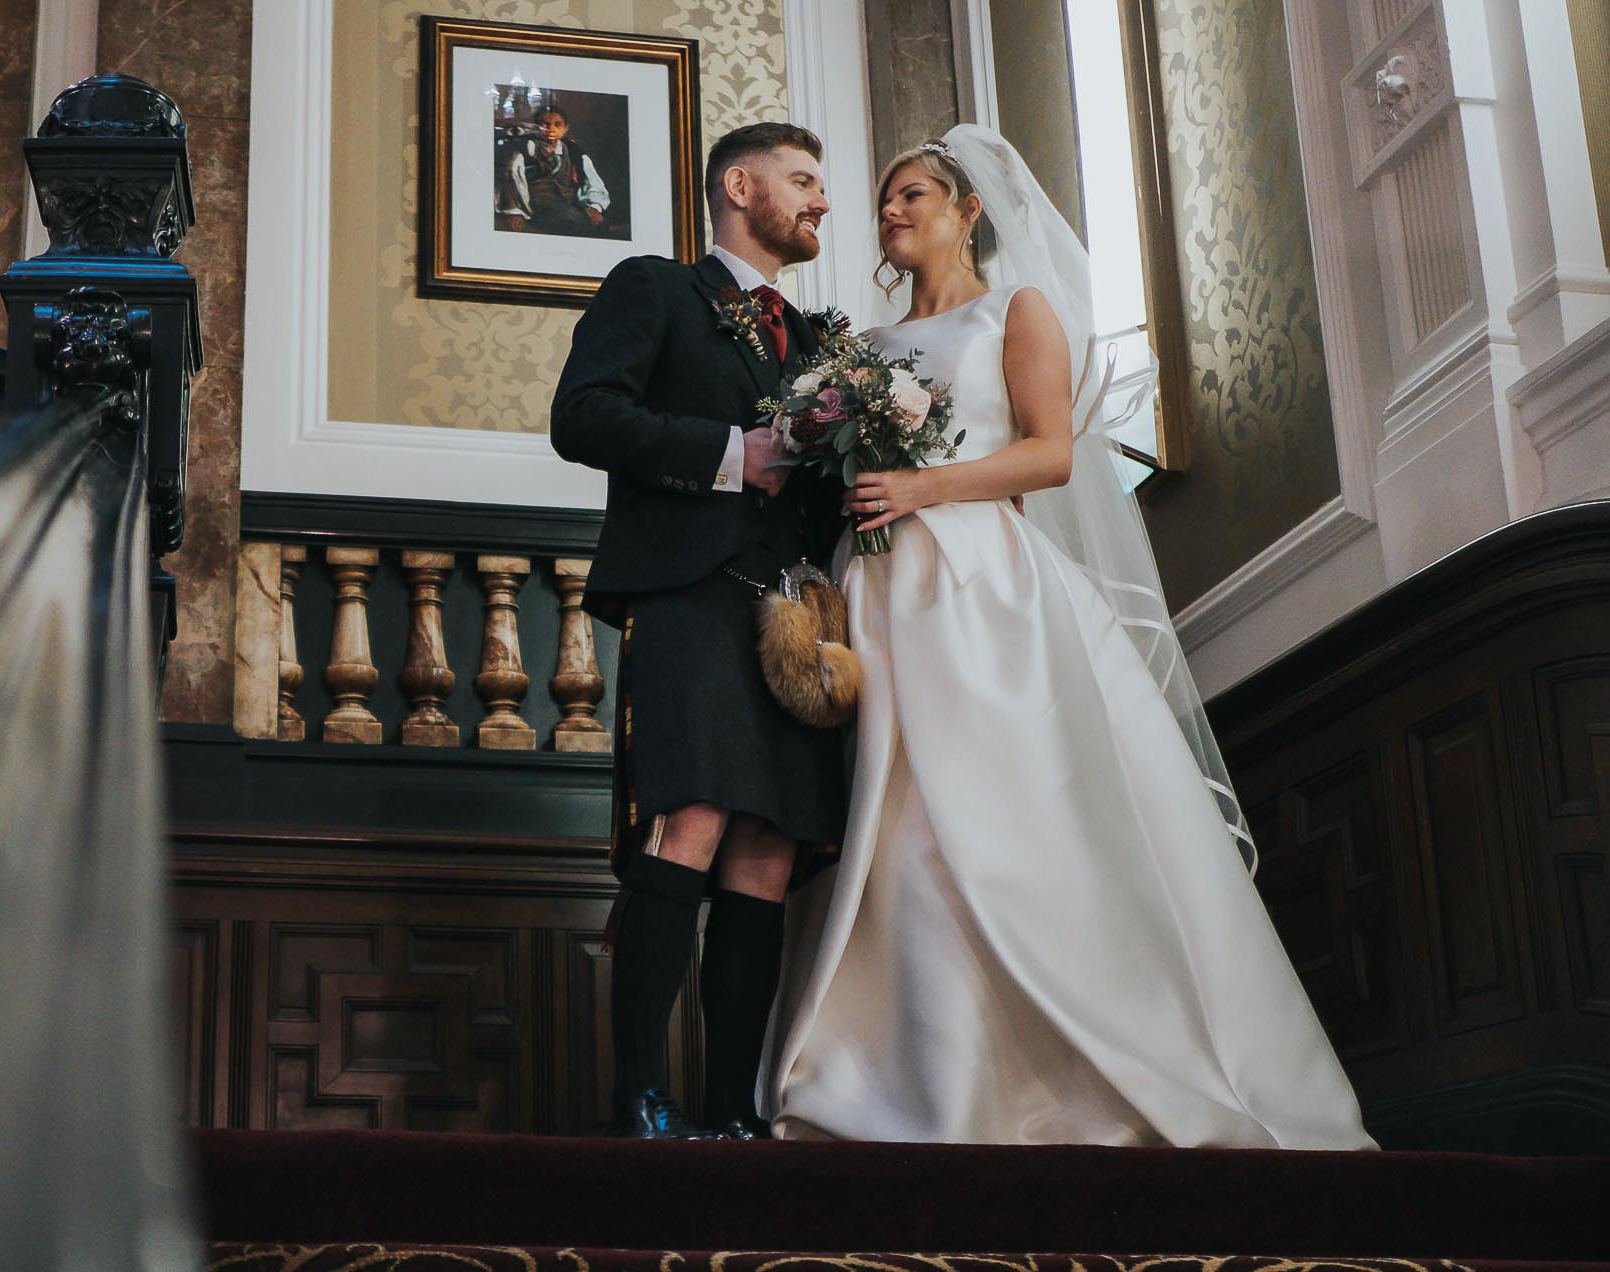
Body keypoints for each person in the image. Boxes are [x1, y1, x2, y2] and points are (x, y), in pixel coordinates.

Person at [758, 127, 1374, 1150]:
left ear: (970, 210)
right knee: (893, 824)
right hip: (876, 590)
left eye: (913, 194)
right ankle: (905, 1078)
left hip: (982, 588)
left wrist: (923, 484)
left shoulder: (1016, 311)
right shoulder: (858, 353)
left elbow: (1048, 454)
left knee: (994, 811)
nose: (892, 212)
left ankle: (1052, 1078)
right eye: (884, 202)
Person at [550, 122, 851, 1139]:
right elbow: (582, 417)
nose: (821, 201)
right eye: (804, 180)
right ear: (739, 185)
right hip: (689, 592)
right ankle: (639, 1095)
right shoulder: (656, 289)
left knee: (768, 850)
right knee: (695, 822)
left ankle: (732, 1114)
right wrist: (735, 452)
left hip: (797, 620)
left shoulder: (818, 346)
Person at [498, 104, 612, 235]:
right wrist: (516, 211)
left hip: (571, 203)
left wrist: (594, 207)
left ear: (565, 129)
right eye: (545, 125)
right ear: (535, 127)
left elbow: (592, 183)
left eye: (557, 125)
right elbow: (513, 180)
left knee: (601, 223)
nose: (551, 129)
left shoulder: (574, 152)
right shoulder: (524, 149)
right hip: (538, 207)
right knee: (574, 220)